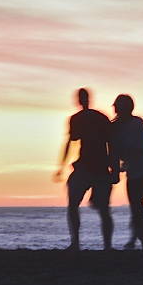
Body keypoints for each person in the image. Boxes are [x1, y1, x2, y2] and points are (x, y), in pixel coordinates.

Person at [53, 87, 115, 250]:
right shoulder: (95, 118)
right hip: (91, 167)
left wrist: (114, 168)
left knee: (92, 208)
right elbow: (111, 144)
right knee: (93, 208)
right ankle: (81, 243)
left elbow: (111, 143)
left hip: (95, 167)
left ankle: (86, 243)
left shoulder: (87, 118)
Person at [110, 94, 143, 250]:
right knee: (136, 206)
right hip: (134, 170)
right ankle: (135, 240)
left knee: (137, 206)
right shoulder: (115, 126)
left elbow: (138, 147)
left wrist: (119, 168)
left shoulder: (136, 123)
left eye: (117, 105)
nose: (114, 108)